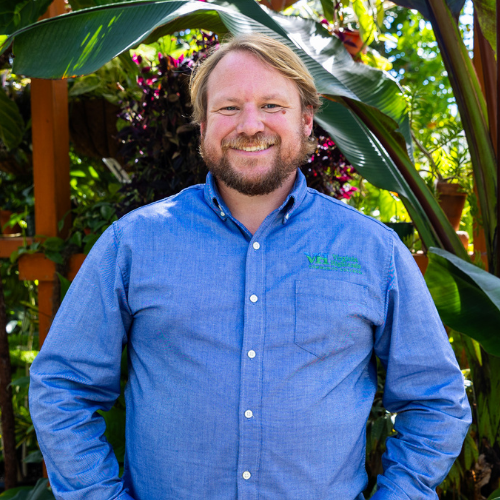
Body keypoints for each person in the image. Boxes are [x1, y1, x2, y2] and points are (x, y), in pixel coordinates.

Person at [29, 33, 471, 500]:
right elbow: (62, 388)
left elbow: (436, 399)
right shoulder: (132, 244)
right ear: (202, 126)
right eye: (228, 108)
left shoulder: (372, 251)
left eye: (272, 106)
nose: (251, 124)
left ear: (306, 121)